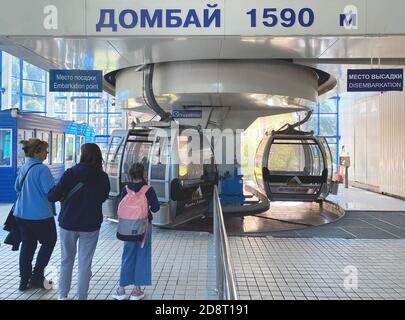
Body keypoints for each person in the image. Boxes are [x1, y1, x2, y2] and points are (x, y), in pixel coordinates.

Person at [48, 143, 110, 300]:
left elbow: (53, 195)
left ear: (82, 155)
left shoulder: (71, 173)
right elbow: (103, 197)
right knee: (85, 263)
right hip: (90, 225)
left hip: (68, 223)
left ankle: (63, 295)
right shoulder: (102, 177)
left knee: (66, 260)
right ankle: (82, 297)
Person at [112, 163, 159, 300]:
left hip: (127, 227)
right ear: (143, 174)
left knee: (127, 256)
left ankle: (121, 290)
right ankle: (137, 290)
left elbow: (120, 206)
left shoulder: (125, 189)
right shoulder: (148, 189)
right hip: (144, 227)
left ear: (130, 175)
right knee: (142, 256)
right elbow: (155, 208)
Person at [13, 139, 56, 291]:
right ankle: (37, 276)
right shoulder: (42, 169)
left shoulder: (25, 166)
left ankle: (24, 280)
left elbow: (16, 187)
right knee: (49, 242)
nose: (47, 153)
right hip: (40, 215)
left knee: (28, 245)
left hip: (21, 214)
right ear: (37, 152)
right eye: (45, 150)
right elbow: (51, 193)